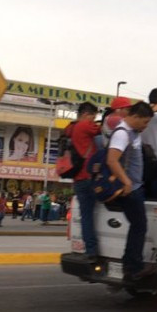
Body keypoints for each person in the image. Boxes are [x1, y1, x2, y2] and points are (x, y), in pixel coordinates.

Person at [104, 101, 157, 281]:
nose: (146, 126)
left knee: (138, 226)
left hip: (135, 187)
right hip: (129, 188)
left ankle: (130, 264)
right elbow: (112, 160)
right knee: (139, 226)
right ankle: (133, 267)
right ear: (135, 117)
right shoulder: (122, 134)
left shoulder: (133, 132)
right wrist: (126, 181)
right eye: (145, 122)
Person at [67, 102, 102, 258]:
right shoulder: (85, 125)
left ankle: (90, 250)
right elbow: (104, 129)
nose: (94, 120)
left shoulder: (72, 127)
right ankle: (97, 248)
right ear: (86, 115)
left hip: (78, 180)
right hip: (89, 177)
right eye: (93, 117)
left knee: (86, 216)